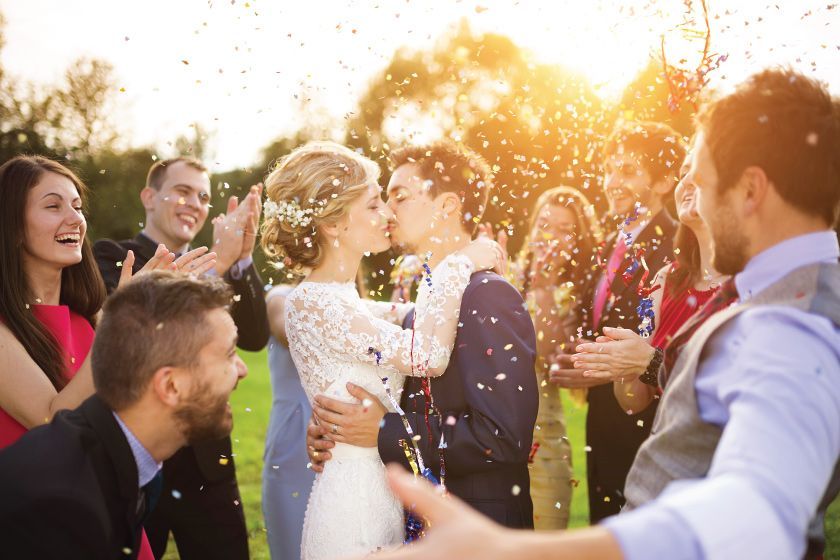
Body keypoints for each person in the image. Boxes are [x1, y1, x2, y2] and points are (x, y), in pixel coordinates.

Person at [357, 68, 840, 560]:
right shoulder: (781, 298)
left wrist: (517, 550)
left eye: (702, 180)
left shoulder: (793, 322)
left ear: (752, 190)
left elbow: (753, 513)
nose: (689, 200)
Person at [260, 140, 505, 559]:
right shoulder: (315, 303)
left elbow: (419, 314)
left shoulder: (344, 299)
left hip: (379, 494)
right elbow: (427, 355)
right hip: (353, 510)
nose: (388, 214)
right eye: (374, 205)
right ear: (334, 224)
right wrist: (461, 262)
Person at [305, 141, 539, 531]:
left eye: (399, 196)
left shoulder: (488, 296)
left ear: (447, 205)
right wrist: (338, 429)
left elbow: (502, 437)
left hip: (480, 532)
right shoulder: (426, 309)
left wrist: (384, 431)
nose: (386, 210)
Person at [0, 272, 248, 559]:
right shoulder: (63, 509)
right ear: (170, 386)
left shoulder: (111, 454)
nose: (243, 369)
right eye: (229, 354)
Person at [93, 156, 268, 560]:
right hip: (134, 459)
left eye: (203, 196)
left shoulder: (221, 266)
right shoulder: (112, 257)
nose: (195, 203)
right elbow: (134, 334)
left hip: (207, 459)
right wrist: (218, 265)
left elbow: (256, 338)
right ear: (149, 197)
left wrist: (241, 259)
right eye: (183, 191)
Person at [550, 121, 685, 522]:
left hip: (646, 428)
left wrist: (603, 369)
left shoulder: (676, 246)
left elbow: (670, 343)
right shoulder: (612, 242)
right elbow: (598, 319)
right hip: (602, 422)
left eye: (627, 171)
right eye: (609, 170)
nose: (612, 182)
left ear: (663, 182)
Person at [571, 151, 727, 413]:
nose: (687, 180)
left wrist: (651, 362)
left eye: (699, 170)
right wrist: (623, 365)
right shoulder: (664, 279)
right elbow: (633, 401)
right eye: (682, 173)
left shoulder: (749, 282)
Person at [506, 186, 602, 529]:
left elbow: (551, 358)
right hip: (491, 445)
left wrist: (544, 287)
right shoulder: (502, 278)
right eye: (545, 224)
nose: (552, 237)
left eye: (565, 230)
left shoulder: (578, 295)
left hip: (543, 445)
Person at [262, 283, 315, 560]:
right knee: (292, 542)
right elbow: (287, 333)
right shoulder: (280, 297)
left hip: (345, 434)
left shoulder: (358, 301)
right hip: (294, 435)